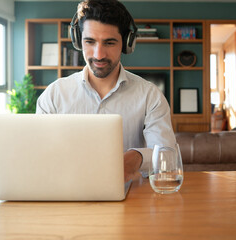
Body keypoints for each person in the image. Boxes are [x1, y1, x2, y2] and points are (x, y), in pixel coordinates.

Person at [36, 0, 176, 181]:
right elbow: (39, 153)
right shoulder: (54, 94)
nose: (98, 54)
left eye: (109, 43)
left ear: (126, 44)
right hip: (67, 197)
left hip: (130, 201)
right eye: (90, 41)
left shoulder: (150, 95)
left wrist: (138, 157)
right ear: (78, 41)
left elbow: (169, 157)